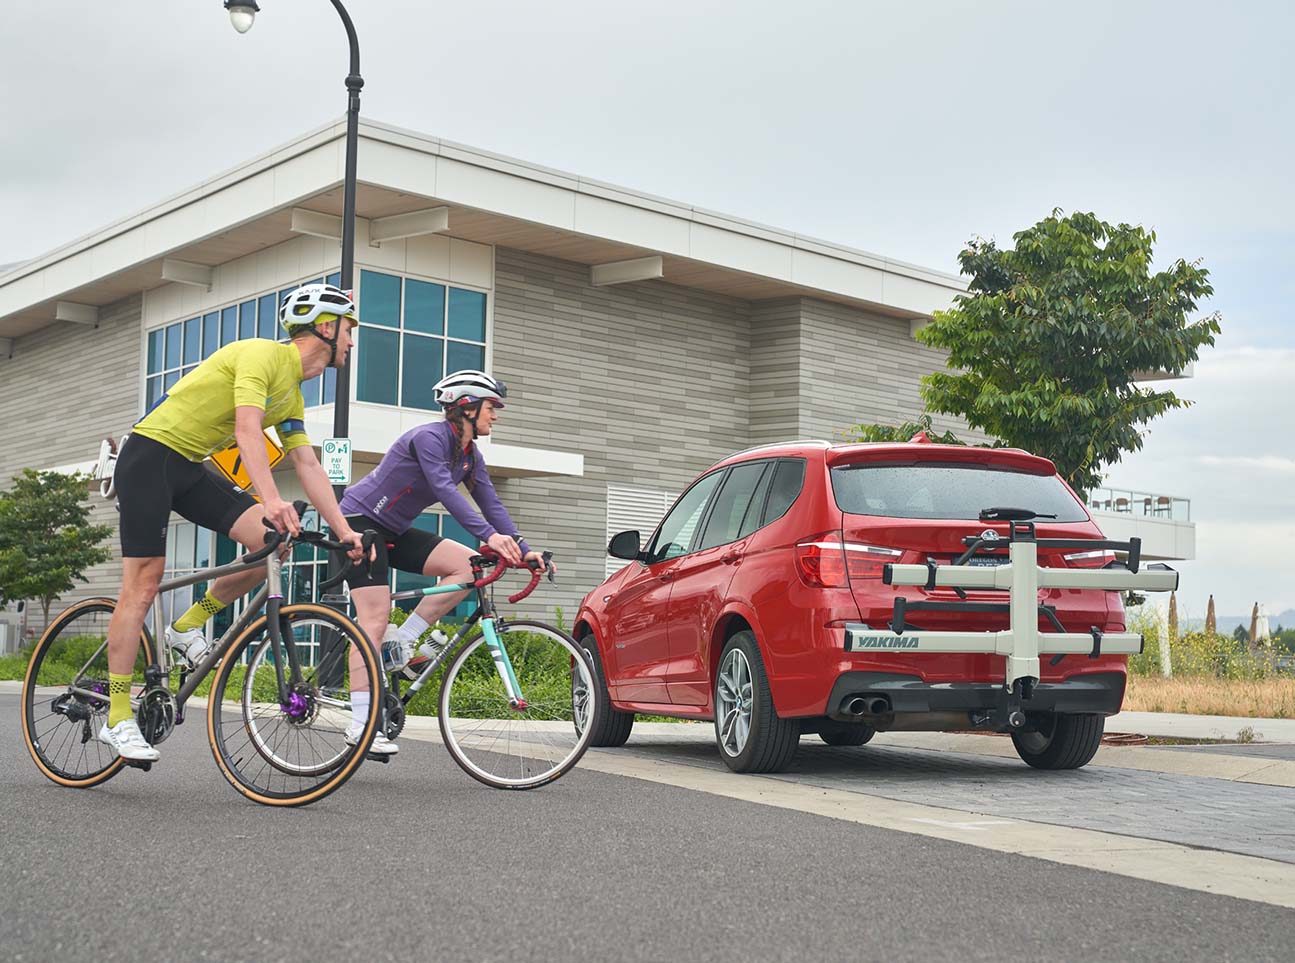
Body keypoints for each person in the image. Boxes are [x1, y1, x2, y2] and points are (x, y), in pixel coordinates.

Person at [100, 283, 369, 762]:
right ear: (326, 327)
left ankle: (186, 626)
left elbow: (307, 464)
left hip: (189, 466)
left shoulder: (292, 396)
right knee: (143, 583)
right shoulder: (261, 355)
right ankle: (117, 716)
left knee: (271, 543)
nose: (351, 340)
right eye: (349, 329)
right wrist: (271, 498)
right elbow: (247, 429)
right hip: (148, 457)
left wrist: (344, 529)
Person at [338, 370, 553, 755]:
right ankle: (360, 726)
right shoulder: (429, 438)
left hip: (395, 529)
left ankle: (403, 643)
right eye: (491, 407)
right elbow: (445, 492)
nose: (496, 415)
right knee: (373, 620)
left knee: (469, 564)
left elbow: (491, 503)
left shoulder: (469, 456)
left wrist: (522, 548)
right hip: (359, 522)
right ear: (467, 407)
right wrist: (489, 536)